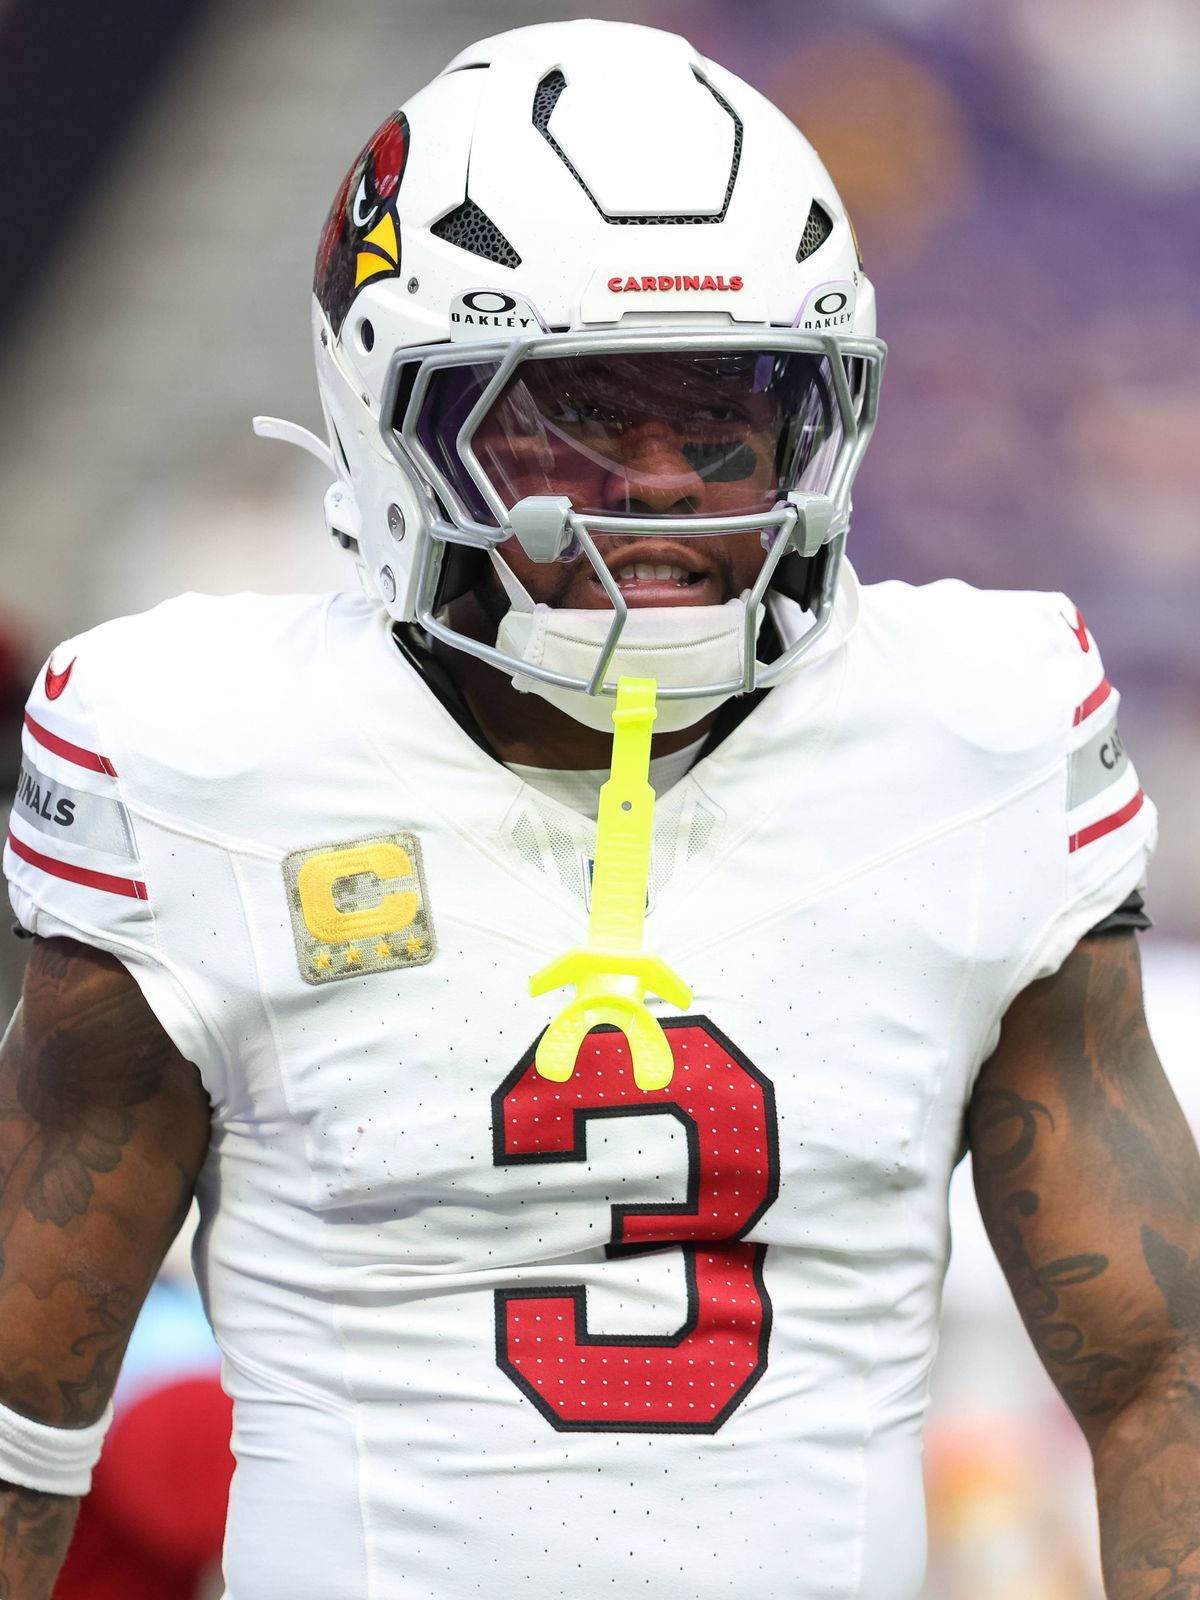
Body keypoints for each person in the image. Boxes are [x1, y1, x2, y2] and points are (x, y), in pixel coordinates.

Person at [0, 18, 1196, 1600]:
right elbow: (26, 1398)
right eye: (572, 415)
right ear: (392, 416)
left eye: (724, 415)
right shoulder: (206, 757)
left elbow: (1156, 1371)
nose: (665, 486)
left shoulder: (974, 732)